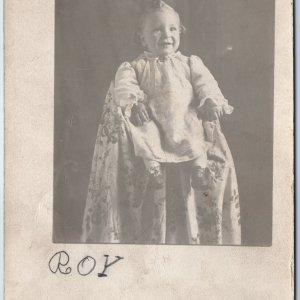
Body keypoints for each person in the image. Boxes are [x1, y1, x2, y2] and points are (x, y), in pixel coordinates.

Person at [81, 0, 241, 245]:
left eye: (172, 29)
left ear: (181, 33)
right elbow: (124, 87)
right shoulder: (134, 66)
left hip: (183, 120)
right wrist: (135, 104)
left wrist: (209, 100)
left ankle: (199, 170)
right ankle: (152, 167)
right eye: (157, 29)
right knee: (144, 133)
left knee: (196, 130)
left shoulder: (190, 63)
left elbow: (206, 84)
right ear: (142, 38)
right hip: (154, 120)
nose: (166, 35)